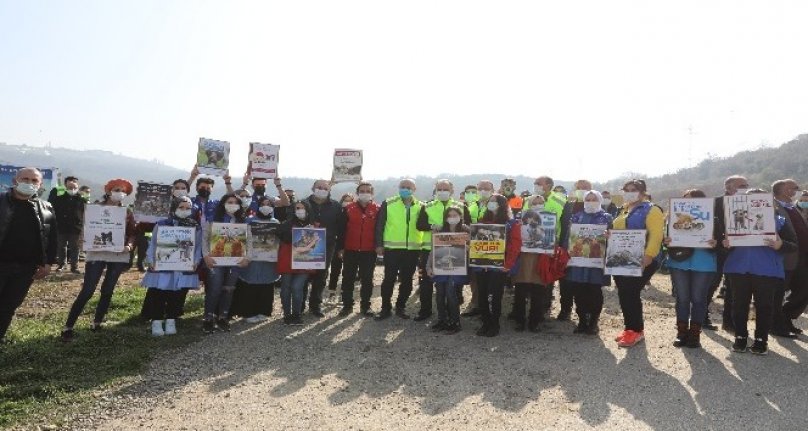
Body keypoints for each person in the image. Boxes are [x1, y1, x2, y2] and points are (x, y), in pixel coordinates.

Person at [724, 188, 797, 355]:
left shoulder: (780, 220)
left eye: (760, 199)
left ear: (769, 202)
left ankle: (761, 340)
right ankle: (740, 337)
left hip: (767, 269)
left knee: (764, 306)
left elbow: (793, 244)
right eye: (750, 199)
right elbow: (726, 244)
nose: (755, 203)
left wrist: (780, 245)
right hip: (738, 268)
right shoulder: (736, 217)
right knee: (739, 305)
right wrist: (726, 244)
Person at [62, 179, 137, 341]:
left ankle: (97, 322)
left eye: (123, 191)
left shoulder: (127, 211)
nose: (120, 193)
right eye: (116, 189)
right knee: (88, 290)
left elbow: (132, 233)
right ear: (109, 191)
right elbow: (86, 227)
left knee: (108, 290)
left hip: (118, 254)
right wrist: (82, 239)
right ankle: (68, 326)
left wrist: (129, 247)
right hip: (96, 253)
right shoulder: (95, 208)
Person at [0, 168, 56, 344]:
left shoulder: (46, 207)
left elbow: (52, 237)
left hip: (25, 269)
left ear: (40, 185)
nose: (29, 183)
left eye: (34, 180)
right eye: (25, 179)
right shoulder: (1, 201)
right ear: (15, 180)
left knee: (8, 306)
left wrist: (47, 263)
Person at [611, 179, 664, 348]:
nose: (629, 192)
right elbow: (618, 232)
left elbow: (656, 235)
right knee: (624, 293)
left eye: (633, 189)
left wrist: (648, 256)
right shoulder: (624, 209)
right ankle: (630, 329)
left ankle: (636, 330)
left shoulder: (652, 209)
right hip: (620, 258)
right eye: (626, 190)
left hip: (641, 259)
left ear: (642, 192)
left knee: (631, 292)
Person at [140, 197, 203, 336]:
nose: (185, 211)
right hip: (162, 265)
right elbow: (153, 243)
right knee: (159, 293)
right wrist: (151, 260)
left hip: (183, 266)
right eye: (181, 207)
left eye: (188, 208)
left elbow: (198, 247)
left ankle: (171, 320)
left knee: (178, 294)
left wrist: (196, 261)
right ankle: (156, 321)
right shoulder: (162, 224)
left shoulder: (195, 227)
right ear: (174, 207)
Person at [663, 189, 718, 348]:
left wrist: (715, 243)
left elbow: (721, 245)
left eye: (692, 201)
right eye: (685, 201)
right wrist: (666, 241)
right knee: (682, 299)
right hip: (679, 262)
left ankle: (695, 335)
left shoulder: (714, 219)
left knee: (699, 299)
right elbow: (666, 241)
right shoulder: (673, 219)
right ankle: (681, 333)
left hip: (704, 263)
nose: (687, 204)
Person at [415, 179, 470, 322]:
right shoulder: (427, 205)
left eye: (445, 189)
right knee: (426, 281)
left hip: (456, 250)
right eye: (439, 189)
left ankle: (452, 313)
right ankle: (425, 311)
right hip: (430, 249)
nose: (442, 192)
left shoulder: (461, 205)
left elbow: (468, 224)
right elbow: (420, 224)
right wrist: (433, 226)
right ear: (435, 190)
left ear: (452, 191)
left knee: (453, 285)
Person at [563, 191, 612, 335]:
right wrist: (567, 255)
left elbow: (614, 238)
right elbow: (568, 237)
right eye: (588, 199)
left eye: (594, 199)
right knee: (579, 291)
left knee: (594, 291)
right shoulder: (577, 216)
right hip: (578, 261)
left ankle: (594, 322)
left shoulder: (606, 217)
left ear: (600, 201)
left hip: (596, 261)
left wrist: (609, 237)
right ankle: (582, 321)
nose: (590, 202)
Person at [374, 179, 424, 320]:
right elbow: (380, 225)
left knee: (407, 280)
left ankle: (400, 307)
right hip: (392, 248)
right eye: (403, 186)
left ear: (414, 189)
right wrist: (379, 244)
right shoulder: (389, 203)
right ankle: (385, 308)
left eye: (409, 187)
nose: (405, 189)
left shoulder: (421, 206)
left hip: (412, 249)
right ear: (398, 188)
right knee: (389, 279)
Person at [707, 175, 750, 333]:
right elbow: (706, 226)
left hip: (740, 251)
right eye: (741, 185)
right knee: (712, 283)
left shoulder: (749, 202)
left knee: (733, 288)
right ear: (728, 186)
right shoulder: (715, 203)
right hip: (718, 250)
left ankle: (729, 322)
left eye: (746, 185)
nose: (745, 188)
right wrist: (718, 240)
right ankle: (702, 315)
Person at [201, 193, 249, 334]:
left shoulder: (243, 222)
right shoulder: (213, 220)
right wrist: (206, 256)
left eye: (235, 202)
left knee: (229, 289)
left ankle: (223, 317)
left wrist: (248, 258)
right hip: (215, 261)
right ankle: (208, 318)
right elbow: (204, 239)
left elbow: (249, 241)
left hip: (235, 262)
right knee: (214, 289)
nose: (232, 204)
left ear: (239, 206)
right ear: (223, 203)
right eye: (229, 201)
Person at [231, 196, 282, 323]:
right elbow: (241, 239)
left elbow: (279, 241)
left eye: (269, 204)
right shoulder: (249, 221)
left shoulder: (276, 222)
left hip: (269, 260)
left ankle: (264, 311)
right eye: (263, 204)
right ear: (258, 206)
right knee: (250, 285)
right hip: (251, 259)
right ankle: (249, 312)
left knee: (267, 285)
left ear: (272, 208)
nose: (266, 206)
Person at [473, 194, 517, 337]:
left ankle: (494, 324)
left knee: (495, 295)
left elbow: (514, 246)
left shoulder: (510, 223)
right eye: (489, 201)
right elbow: (477, 243)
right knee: (482, 294)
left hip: (499, 266)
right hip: (482, 265)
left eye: (495, 201)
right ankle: (485, 322)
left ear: (502, 204)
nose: (491, 203)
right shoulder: (482, 221)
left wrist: (508, 265)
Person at [771, 179, 808, 337]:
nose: (797, 191)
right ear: (785, 190)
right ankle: (776, 325)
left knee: (803, 289)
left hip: (802, 257)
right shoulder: (771, 207)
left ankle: (786, 316)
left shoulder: (794, 207)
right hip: (784, 257)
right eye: (795, 188)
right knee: (778, 292)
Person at [336, 183, 379, 316]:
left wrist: (379, 246)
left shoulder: (378, 208)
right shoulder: (349, 208)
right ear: (357, 192)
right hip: (350, 249)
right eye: (362, 191)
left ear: (372, 193)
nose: (364, 193)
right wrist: (341, 248)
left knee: (367, 279)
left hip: (369, 250)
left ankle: (365, 306)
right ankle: (347, 305)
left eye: (367, 191)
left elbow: (380, 230)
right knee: (348, 278)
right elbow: (341, 230)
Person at [509, 195, 551, 333]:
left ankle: (535, 321)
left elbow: (551, 239)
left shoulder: (550, 220)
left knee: (538, 292)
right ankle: (520, 321)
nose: (537, 204)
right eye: (534, 202)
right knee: (520, 292)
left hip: (540, 260)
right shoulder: (518, 221)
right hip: (523, 259)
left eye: (540, 202)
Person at [301, 180, 341, 317]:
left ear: (329, 190)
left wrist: (340, 245)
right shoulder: (303, 203)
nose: (322, 190)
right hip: (305, 244)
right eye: (319, 187)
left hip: (327, 245)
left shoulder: (336, 205)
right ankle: (300, 304)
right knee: (303, 274)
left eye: (325, 188)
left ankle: (315, 305)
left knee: (321, 275)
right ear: (313, 188)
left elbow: (340, 227)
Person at [426, 206, 469, 334]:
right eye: (449, 216)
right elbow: (433, 251)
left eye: (455, 215)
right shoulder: (439, 232)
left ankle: (455, 322)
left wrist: (468, 249)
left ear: (460, 216)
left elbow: (475, 250)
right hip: (441, 268)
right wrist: (428, 267)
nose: (452, 218)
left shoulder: (466, 232)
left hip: (457, 269)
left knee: (451, 294)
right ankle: (442, 320)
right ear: (445, 218)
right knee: (439, 295)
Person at [556, 179, 592, 321]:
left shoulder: (595, 206)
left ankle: (584, 311)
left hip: (586, 251)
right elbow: (560, 225)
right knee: (564, 280)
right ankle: (565, 309)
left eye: (586, 188)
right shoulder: (567, 206)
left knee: (583, 282)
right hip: (566, 249)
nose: (582, 189)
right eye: (579, 187)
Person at [277, 201, 316, 325]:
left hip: (304, 262)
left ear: (308, 209)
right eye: (297, 208)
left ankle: (297, 314)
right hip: (287, 260)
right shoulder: (286, 224)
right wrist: (301, 232)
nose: (300, 210)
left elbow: (318, 244)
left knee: (297, 287)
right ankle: (287, 315)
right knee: (285, 289)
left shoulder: (315, 225)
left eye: (303, 208)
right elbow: (284, 237)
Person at [462, 180, 496, 317]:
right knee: (475, 277)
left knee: (490, 278)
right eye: (480, 188)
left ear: (492, 190)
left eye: (486, 189)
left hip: (492, 246)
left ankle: (490, 306)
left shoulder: (497, 204)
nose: (483, 191)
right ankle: (476, 304)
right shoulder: (472, 206)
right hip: (473, 246)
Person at [49, 175, 85, 274]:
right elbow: (51, 205)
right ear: (65, 185)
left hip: (76, 226)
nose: (72, 188)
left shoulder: (80, 197)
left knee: (75, 247)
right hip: (61, 225)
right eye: (70, 185)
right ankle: (61, 265)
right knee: (61, 246)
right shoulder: (58, 194)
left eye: (74, 185)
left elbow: (84, 209)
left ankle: (74, 266)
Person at [326, 193, 356, 303]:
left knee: (347, 272)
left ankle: (344, 294)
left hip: (351, 245)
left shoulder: (354, 213)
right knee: (335, 269)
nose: (347, 202)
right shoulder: (337, 212)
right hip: (337, 244)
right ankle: (331, 292)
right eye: (345, 200)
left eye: (350, 200)